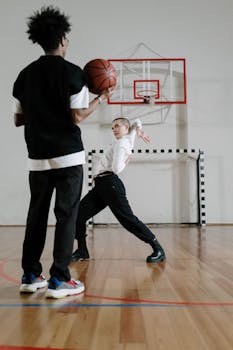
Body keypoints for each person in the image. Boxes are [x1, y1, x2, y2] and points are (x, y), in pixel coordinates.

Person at [13, 5, 113, 299]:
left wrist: (40, 110)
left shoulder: (24, 76)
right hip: (68, 156)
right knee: (66, 215)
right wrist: (100, 99)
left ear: (40, 40)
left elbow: (18, 119)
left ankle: (31, 275)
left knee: (36, 214)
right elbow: (77, 116)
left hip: (37, 157)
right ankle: (59, 279)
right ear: (64, 39)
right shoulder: (74, 74)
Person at [71, 117, 166, 263]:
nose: (114, 129)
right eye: (112, 127)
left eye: (117, 126)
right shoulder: (128, 137)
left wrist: (126, 161)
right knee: (79, 215)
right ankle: (82, 251)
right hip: (102, 186)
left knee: (128, 220)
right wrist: (139, 129)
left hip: (110, 184)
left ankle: (157, 248)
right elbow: (137, 120)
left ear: (125, 128)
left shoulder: (122, 143)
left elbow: (116, 169)